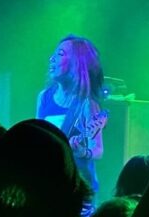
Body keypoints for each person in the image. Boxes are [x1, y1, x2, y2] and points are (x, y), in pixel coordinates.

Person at [36, 35, 107, 197]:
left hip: (77, 187)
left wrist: (82, 152)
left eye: (60, 54)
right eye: (53, 54)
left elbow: (98, 149)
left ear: (76, 63)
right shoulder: (44, 97)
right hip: (49, 183)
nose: (51, 58)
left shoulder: (86, 104)